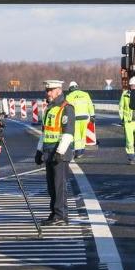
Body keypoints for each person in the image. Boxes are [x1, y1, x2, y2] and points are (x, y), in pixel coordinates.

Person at [34, 80, 76, 226]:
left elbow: (68, 133)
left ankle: (61, 215)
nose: (48, 93)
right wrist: (39, 151)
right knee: (51, 186)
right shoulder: (49, 109)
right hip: (48, 152)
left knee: (59, 185)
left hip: (59, 153)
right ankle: (54, 213)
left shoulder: (67, 108)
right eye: (47, 90)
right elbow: (45, 132)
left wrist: (60, 152)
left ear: (58, 90)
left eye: (51, 90)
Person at [66, 81, 95, 159]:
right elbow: (90, 105)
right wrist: (92, 116)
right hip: (85, 117)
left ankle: (78, 152)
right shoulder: (85, 94)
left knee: (77, 135)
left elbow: (67, 108)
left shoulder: (69, 96)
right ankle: (82, 150)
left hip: (75, 118)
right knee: (83, 134)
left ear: (70, 88)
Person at [118, 77, 135, 164]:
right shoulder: (125, 94)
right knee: (129, 141)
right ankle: (131, 158)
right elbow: (121, 107)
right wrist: (122, 118)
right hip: (128, 121)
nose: (133, 87)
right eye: (132, 85)